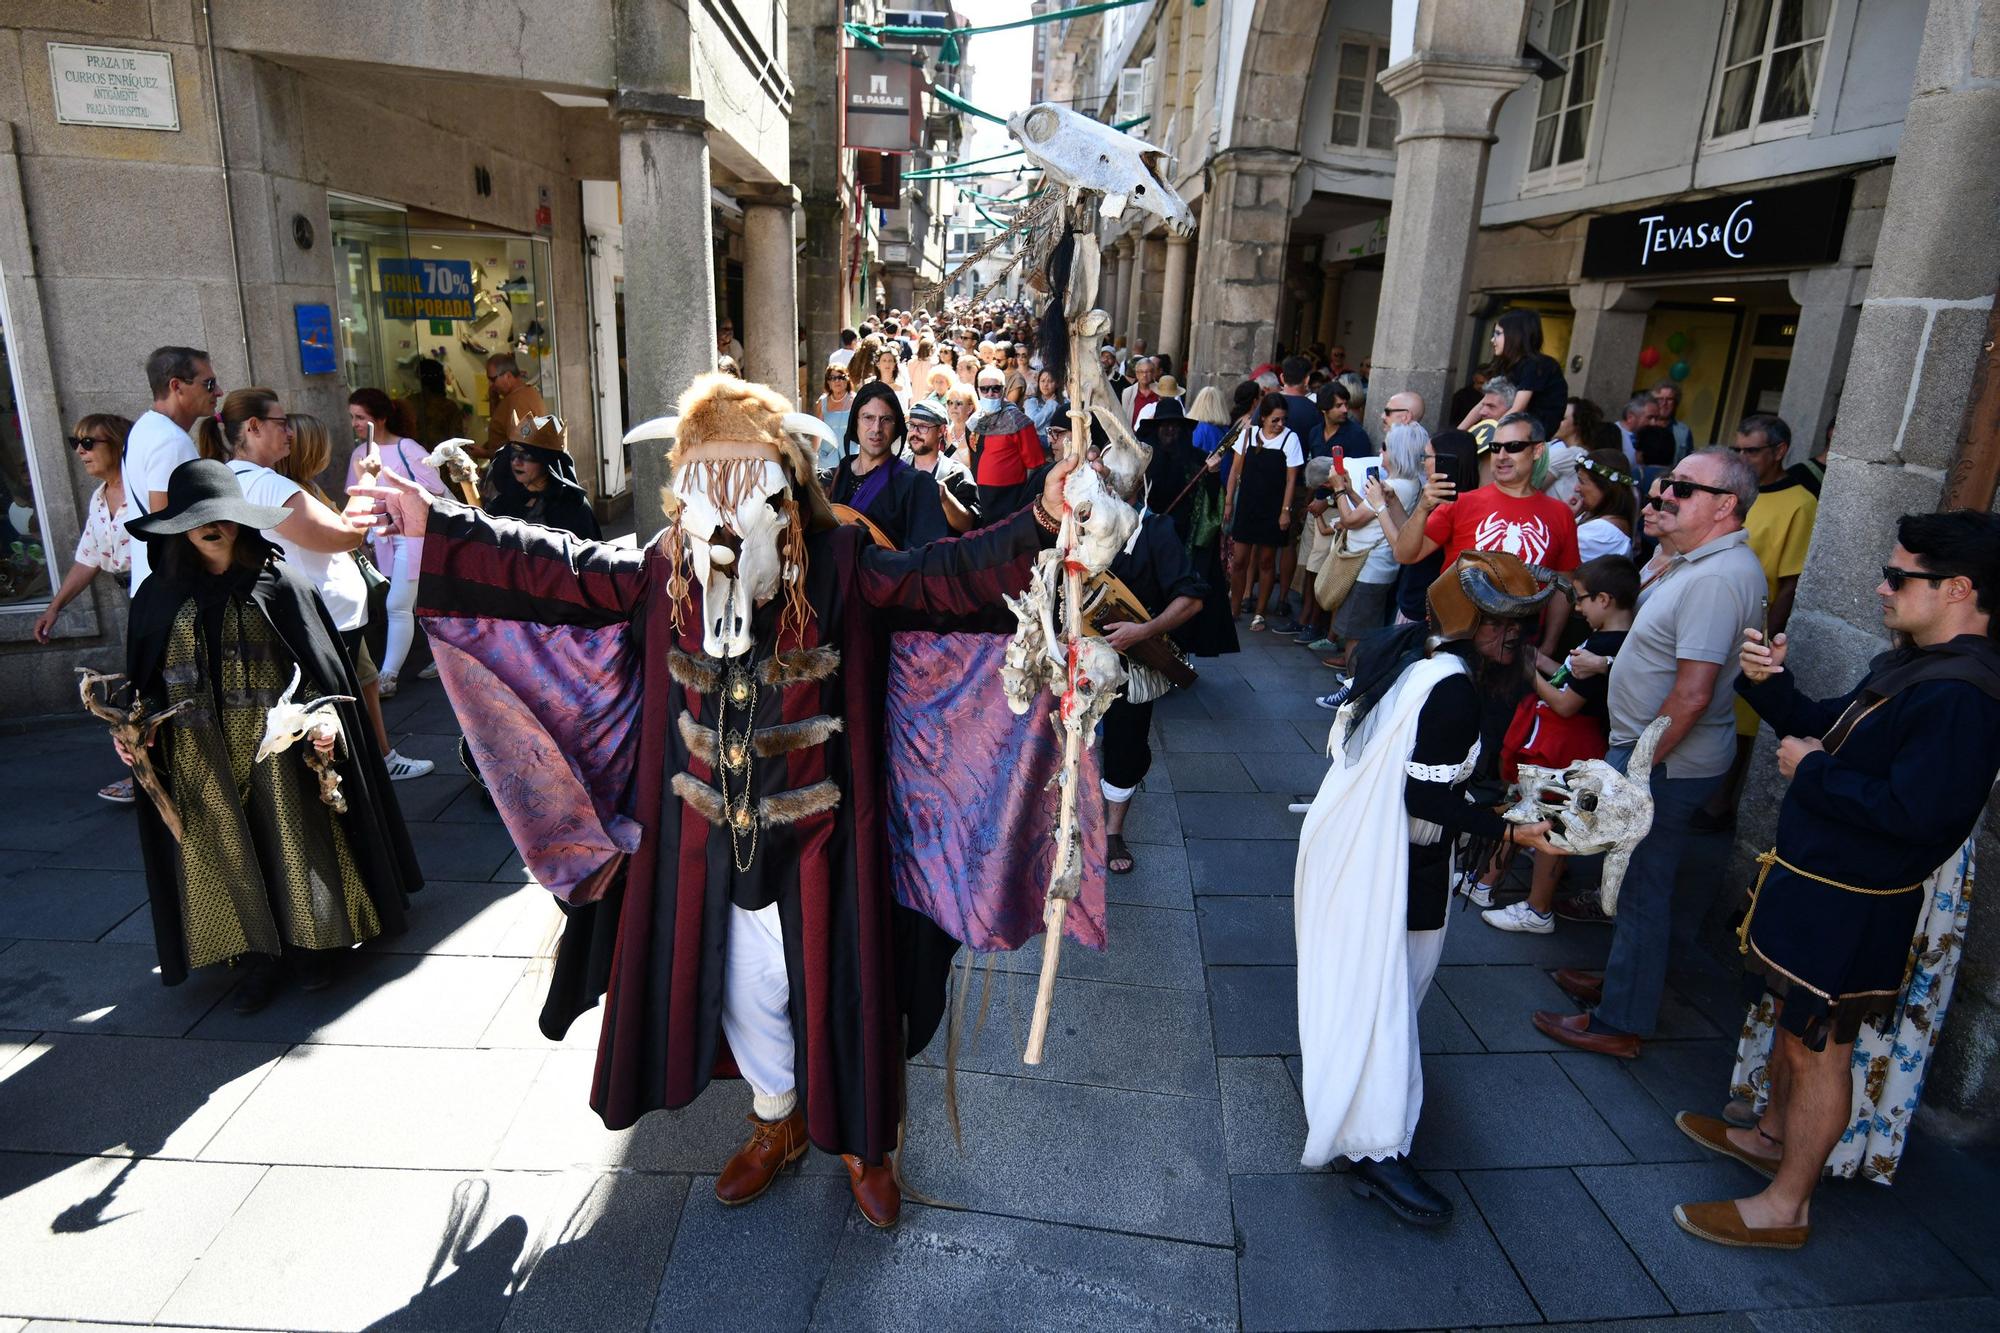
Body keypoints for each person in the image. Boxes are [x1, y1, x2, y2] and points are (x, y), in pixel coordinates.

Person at [353, 373, 1088, 1231]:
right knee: (742, 986)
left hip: (826, 842)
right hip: (705, 839)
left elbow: (947, 577)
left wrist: (1042, 519)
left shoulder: (845, 563)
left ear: (787, 486)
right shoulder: (664, 570)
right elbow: (550, 569)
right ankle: (776, 1118)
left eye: (751, 488)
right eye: (712, 489)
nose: (731, 518)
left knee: (841, 988)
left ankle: (863, 1141)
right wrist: (437, 525)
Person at [1670, 511, 2000, 1250]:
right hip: (1820, 885)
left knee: (1820, 1049)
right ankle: (1769, 1135)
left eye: (1898, 576)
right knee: (1793, 1035)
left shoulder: (1964, 694)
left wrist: (1813, 770)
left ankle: (1786, 1207)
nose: (1882, 588)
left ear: (1958, 588)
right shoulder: (1913, 660)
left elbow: (1919, 816)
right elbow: (1827, 726)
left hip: (1855, 904)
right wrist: (1770, 684)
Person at [1296, 551, 1563, 1226]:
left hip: (1360, 843)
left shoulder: (1414, 653)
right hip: (1393, 858)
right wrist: (1508, 827)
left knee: (1367, 991)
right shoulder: (1454, 687)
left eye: (1523, 621)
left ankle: (1360, 1105)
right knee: (1381, 996)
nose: (1516, 635)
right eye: (1503, 622)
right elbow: (1424, 793)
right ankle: (1374, 1146)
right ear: (1467, 617)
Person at [119, 459, 421, 1014]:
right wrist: (134, 730)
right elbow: (146, 680)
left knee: (293, 836)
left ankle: (310, 946)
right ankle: (256, 958)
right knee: (223, 848)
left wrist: (322, 721)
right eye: (201, 519)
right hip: (195, 751)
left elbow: (322, 669)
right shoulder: (157, 598)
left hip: (276, 745)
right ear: (180, 526)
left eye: (226, 516)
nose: (215, 527)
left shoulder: (281, 582)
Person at [1532, 448, 1766, 1057]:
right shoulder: (1696, 563)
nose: (1663, 495)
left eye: (1683, 489)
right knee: (1634, 878)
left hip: (1660, 760)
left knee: (1640, 885)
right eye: (1665, 485)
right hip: (1653, 752)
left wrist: (1636, 773)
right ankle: (1624, 982)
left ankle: (1620, 1021)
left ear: (1725, 506)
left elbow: (1692, 693)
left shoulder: (1716, 577)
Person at [1480, 555, 1638, 933]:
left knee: (1552, 822)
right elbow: (1567, 675)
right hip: (1563, 741)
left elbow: (1567, 702)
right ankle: (1485, 883)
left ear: (1605, 599)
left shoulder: (1608, 644)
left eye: (1581, 599)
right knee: (1526, 807)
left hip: (1571, 743)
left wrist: (1528, 673)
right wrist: (1535, 659)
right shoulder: (1607, 640)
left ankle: (1538, 909)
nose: (1577, 607)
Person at [281, 413, 430, 781]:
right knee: (344, 693)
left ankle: (377, 757)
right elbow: (347, 533)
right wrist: (367, 478)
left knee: (365, 683)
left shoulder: (305, 488)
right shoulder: (293, 493)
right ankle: (368, 763)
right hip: (326, 615)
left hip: (339, 612)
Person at [1092, 430, 1207, 877]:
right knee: (1068, 740)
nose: (1104, 484)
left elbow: (1193, 598)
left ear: (1138, 485)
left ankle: (1113, 830)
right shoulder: (1078, 522)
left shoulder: (1157, 531)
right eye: (1100, 476)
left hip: (1131, 664)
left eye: (1113, 479)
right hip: (1079, 656)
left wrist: (1144, 630)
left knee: (1125, 746)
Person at [1698, 414, 1820, 831]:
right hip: (1715, 611)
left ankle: (1718, 804)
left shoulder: (1800, 502)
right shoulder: (1735, 493)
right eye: (1738, 450)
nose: (1743, 458)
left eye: (1752, 450)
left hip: (1752, 627)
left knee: (1740, 720)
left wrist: (1766, 636)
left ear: (1780, 451)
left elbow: (1790, 580)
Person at [1389, 413, 1580, 657]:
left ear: (1537, 451)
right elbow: (1405, 554)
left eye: (1514, 447)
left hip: (1518, 644)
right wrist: (1423, 508)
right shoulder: (1461, 502)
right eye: (1495, 447)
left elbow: (1563, 587)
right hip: (1454, 637)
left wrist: (1549, 645)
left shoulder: (1561, 514)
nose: (1501, 456)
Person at [37, 413, 137, 803]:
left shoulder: (144, 490)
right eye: (74, 442)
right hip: (126, 595)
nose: (80, 451)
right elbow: (88, 557)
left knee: (151, 686)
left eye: (89, 442)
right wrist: (55, 607)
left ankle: (146, 774)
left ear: (117, 444)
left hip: (157, 593)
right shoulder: (99, 497)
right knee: (136, 685)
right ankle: (142, 771)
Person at [347, 390, 447, 698]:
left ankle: (387, 677)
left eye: (360, 417)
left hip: (413, 537)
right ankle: (447, 659)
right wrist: (362, 537)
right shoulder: (358, 455)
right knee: (423, 603)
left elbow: (436, 489)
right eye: (352, 417)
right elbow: (357, 496)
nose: (354, 424)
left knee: (398, 605)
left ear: (380, 419)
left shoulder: (407, 447)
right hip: (382, 539)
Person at [1136, 400, 1239, 662]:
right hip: (1148, 539)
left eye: (1175, 426)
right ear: (1156, 429)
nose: (1170, 430)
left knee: (1180, 598)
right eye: (1165, 426)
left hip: (1184, 542)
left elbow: (1211, 502)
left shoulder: (1197, 460)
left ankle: (1177, 655)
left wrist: (1214, 475)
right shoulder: (1142, 458)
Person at [123, 346, 216, 596]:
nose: (218, 391)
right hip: (174, 591)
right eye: (208, 383)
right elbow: (167, 524)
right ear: (176, 386)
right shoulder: (170, 441)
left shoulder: (145, 427)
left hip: (156, 587)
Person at [1334, 424, 1428, 662]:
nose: (1380, 451)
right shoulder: (1411, 484)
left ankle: (1352, 687)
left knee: (1356, 636)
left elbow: (1351, 520)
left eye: (1385, 447)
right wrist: (1351, 492)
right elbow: (1376, 514)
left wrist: (1338, 491)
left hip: (1370, 567)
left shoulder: (1396, 486)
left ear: (1397, 452)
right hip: (1381, 567)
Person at [829, 380, 949, 550]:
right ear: (855, 422)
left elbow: (925, 560)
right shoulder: (838, 476)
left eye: (886, 419)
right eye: (868, 418)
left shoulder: (916, 485)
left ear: (897, 427)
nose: (876, 428)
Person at [1225, 393, 1303, 631]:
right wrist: (1229, 502)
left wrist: (1285, 511)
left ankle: (1260, 612)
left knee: (1267, 561)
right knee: (1239, 560)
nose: (1280, 425)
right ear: (1264, 418)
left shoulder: (1290, 439)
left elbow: (1291, 480)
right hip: (1248, 504)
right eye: (1275, 420)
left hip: (1273, 506)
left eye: (1283, 420)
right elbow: (1235, 472)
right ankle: (1234, 608)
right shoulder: (1248, 435)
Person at [489, 415, 602, 540]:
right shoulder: (502, 505)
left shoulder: (573, 508)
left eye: (526, 454)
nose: (516, 462)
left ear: (547, 462)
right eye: (514, 453)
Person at [968, 367, 1047, 522]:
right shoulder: (974, 421)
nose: (990, 394)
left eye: (995, 389)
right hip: (981, 494)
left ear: (1003, 390)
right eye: (984, 389)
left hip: (1010, 496)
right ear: (978, 391)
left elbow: (1034, 465)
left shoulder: (1019, 422)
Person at [1479, 309, 1567, 441]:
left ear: (1516, 335)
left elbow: (1518, 407)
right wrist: (1461, 431)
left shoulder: (1536, 365)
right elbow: (1483, 402)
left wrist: (1491, 436)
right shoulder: (1508, 365)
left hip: (1532, 436)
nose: (1492, 340)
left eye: (1498, 334)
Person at [904, 399, 978, 525]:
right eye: (912, 425)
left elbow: (969, 525)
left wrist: (945, 498)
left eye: (923, 427)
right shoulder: (898, 468)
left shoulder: (957, 474)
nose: (915, 432)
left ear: (941, 430)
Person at [1571, 450, 1640, 561]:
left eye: (1582, 482)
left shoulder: (1603, 532)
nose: (1576, 488)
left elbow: (1550, 550)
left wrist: (1564, 517)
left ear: (1605, 488)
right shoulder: (1594, 517)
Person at [482, 354, 547, 462]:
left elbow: (520, 447)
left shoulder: (519, 401)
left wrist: (485, 453)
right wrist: (494, 399)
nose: (490, 385)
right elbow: (499, 426)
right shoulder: (513, 396)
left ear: (508, 376)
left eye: (493, 379)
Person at [403, 358, 467, 449]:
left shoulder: (410, 402)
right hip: (440, 458)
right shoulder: (448, 406)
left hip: (414, 457)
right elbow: (457, 441)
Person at [816, 366, 855, 461]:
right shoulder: (822, 402)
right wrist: (813, 456)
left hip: (851, 455)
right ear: (828, 382)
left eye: (841, 377)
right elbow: (817, 432)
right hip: (827, 457)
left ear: (847, 379)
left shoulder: (856, 400)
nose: (837, 381)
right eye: (833, 378)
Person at [1023, 368, 1066, 445]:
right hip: (1037, 444)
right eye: (1042, 381)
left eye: (1050, 381)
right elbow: (1033, 425)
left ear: (1057, 384)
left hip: (1061, 442)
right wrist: (1050, 405)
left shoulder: (1064, 403)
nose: (1045, 384)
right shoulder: (1031, 402)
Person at [1653, 381, 1694, 461]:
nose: (1664, 403)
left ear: (1675, 403)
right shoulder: (1642, 425)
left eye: (1669, 399)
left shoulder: (1684, 431)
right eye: (1660, 399)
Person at [1614, 394, 1655, 472]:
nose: (1654, 423)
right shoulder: (1612, 434)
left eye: (1656, 418)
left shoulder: (1650, 436)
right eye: (1649, 417)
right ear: (1630, 417)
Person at [1120, 357, 1159, 426]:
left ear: (1153, 373)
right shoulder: (1128, 392)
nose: (1144, 375)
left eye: (1148, 372)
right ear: (1136, 374)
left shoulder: (1161, 390)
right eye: (1141, 372)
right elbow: (1124, 418)